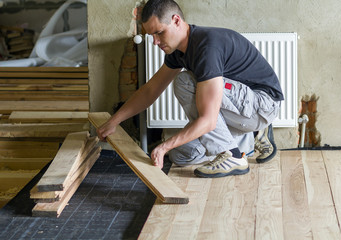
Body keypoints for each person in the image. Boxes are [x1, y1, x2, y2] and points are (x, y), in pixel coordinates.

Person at [97, 0, 283, 178]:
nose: (155, 42)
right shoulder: (178, 52)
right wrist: (114, 121)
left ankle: (233, 154)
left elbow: (209, 120)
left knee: (184, 81)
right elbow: (150, 91)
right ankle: (247, 141)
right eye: (151, 36)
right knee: (182, 155)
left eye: (159, 33)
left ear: (176, 20)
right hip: (240, 109)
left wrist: (163, 147)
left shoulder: (206, 47)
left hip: (262, 105)